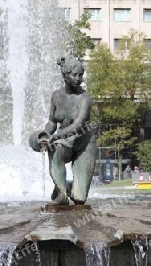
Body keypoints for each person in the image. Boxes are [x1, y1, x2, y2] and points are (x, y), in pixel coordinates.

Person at [29, 56, 97, 205]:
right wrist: (46, 134)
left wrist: (55, 136)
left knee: (79, 199)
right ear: (65, 76)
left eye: (81, 75)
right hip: (65, 142)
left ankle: (70, 186)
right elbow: (52, 122)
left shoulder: (85, 98)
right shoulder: (56, 96)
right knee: (54, 149)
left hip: (84, 145)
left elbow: (78, 126)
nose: (79, 78)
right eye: (75, 75)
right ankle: (61, 190)